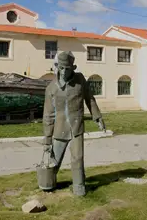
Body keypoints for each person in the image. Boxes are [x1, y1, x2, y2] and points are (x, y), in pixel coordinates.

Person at [42, 51, 105, 196]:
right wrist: (47, 140)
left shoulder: (80, 80)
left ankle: (79, 186)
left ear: (73, 68)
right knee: (54, 160)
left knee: (78, 158)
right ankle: (48, 184)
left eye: (67, 68)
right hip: (59, 129)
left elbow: (90, 99)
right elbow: (48, 115)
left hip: (76, 127)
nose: (64, 71)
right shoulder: (51, 88)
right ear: (57, 67)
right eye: (62, 68)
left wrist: (98, 117)